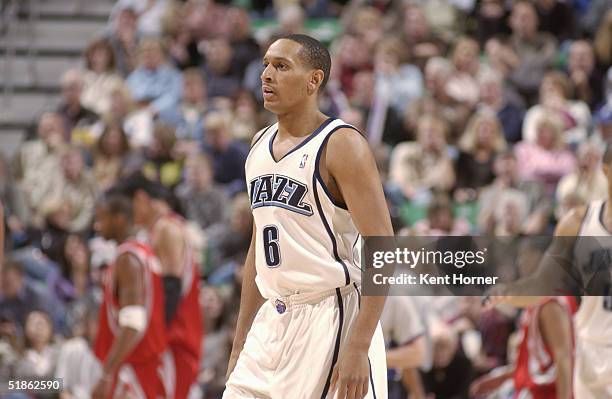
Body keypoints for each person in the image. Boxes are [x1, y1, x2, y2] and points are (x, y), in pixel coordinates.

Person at [224, 34, 391, 399]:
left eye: (281, 67)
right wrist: (240, 341)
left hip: (329, 315)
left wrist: (359, 346)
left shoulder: (342, 144)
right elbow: (259, 249)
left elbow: (384, 249)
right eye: (266, 64)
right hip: (272, 321)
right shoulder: (258, 145)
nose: (267, 74)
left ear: (314, 80)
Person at [487, 145, 612, 398]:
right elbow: (543, 285)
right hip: (592, 356)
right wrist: (508, 294)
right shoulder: (577, 222)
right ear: (607, 170)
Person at [116, 173, 203, 399]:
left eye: (128, 207)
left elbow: (171, 287)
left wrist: (154, 335)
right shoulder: (156, 229)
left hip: (176, 340)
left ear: (141, 198)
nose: (127, 215)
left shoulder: (167, 228)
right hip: (169, 339)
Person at [91, 190, 169, 399]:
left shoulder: (127, 259)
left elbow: (133, 323)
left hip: (133, 368)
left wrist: (106, 373)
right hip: (147, 363)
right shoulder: (143, 250)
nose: (96, 225)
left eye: (101, 218)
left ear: (119, 219)